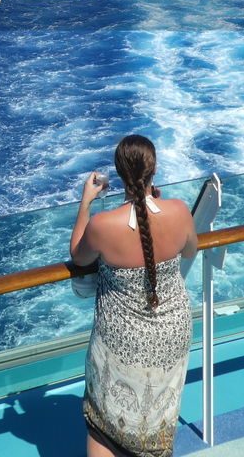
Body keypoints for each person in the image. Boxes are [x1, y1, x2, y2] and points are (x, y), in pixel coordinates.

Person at [70, 134, 198, 457]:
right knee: (156, 421)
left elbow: (78, 255)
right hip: (171, 335)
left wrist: (86, 201)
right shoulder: (180, 212)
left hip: (122, 341)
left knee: (103, 426)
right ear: (154, 169)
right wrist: (158, 203)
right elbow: (189, 250)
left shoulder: (102, 226)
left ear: (119, 174)